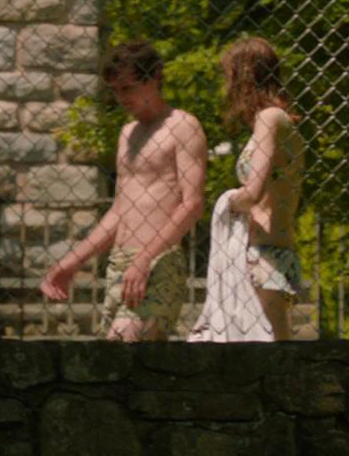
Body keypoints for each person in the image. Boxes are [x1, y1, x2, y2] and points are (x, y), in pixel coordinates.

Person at [41, 41, 206, 340]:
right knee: (122, 358)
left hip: (158, 260)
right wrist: (72, 263)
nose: (121, 98)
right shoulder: (127, 134)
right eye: (115, 90)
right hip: (119, 263)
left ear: (154, 77)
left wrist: (144, 259)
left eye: (128, 88)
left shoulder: (183, 126)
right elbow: (119, 211)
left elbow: (192, 204)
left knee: (123, 344)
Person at [218, 36, 306, 341]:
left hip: (265, 254)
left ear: (243, 77)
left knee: (269, 349)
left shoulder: (269, 119)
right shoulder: (278, 120)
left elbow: (253, 191)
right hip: (268, 249)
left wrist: (226, 203)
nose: (227, 87)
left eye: (229, 77)